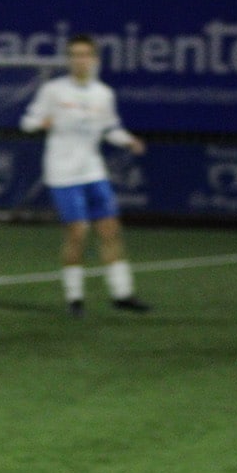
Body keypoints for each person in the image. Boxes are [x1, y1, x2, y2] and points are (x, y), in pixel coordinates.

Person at [21, 33, 151, 317]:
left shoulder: (103, 94)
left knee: (110, 230)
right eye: (75, 55)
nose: (80, 60)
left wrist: (129, 140)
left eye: (85, 55)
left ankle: (122, 293)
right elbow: (27, 121)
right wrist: (40, 123)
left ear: (94, 60)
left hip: (93, 170)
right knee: (78, 233)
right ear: (69, 60)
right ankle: (75, 298)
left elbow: (110, 128)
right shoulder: (54, 90)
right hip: (62, 173)